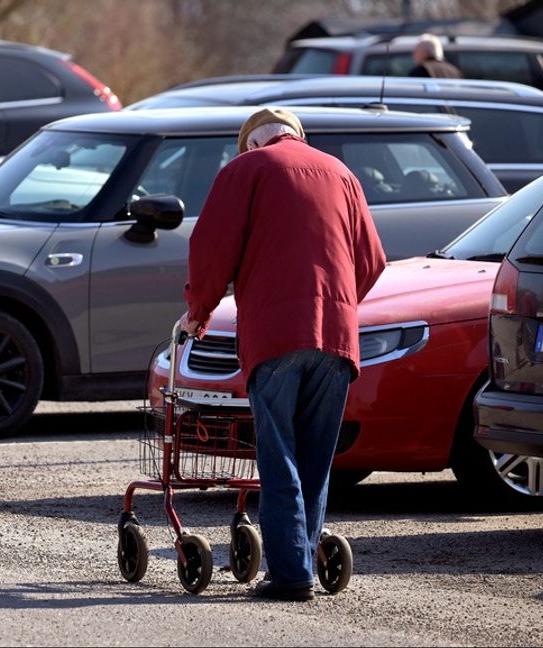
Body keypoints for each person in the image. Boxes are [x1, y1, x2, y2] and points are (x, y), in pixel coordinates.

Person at [179, 107, 386, 601]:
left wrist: (199, 311)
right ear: (298, 137)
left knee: (279, 454)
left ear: (251, 143)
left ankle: (291, 574)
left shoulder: (245, 171)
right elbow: (373, 261)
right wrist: (337, 304)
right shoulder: (341, 173)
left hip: (275, 335)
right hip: (337, 339)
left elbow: (210, 249)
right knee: (315, 458)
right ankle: (302, 561)